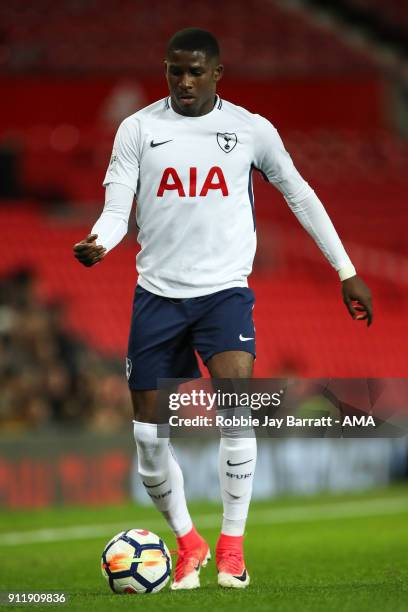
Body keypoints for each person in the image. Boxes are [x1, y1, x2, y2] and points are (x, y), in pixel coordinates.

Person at [73, 27, 373, 590]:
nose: (183, 82)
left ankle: (233, 548)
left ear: (216, 74)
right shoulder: (138, 129)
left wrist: (347, 270)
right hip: (157, 295)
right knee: (147, 439)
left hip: (224, 294)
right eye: (174, 71)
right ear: (166, 70)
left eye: (194, 72)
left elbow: (300, 193)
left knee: (235, 412)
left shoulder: (250, 129)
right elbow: (117, 207)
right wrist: (100, 242)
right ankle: (189, 542)